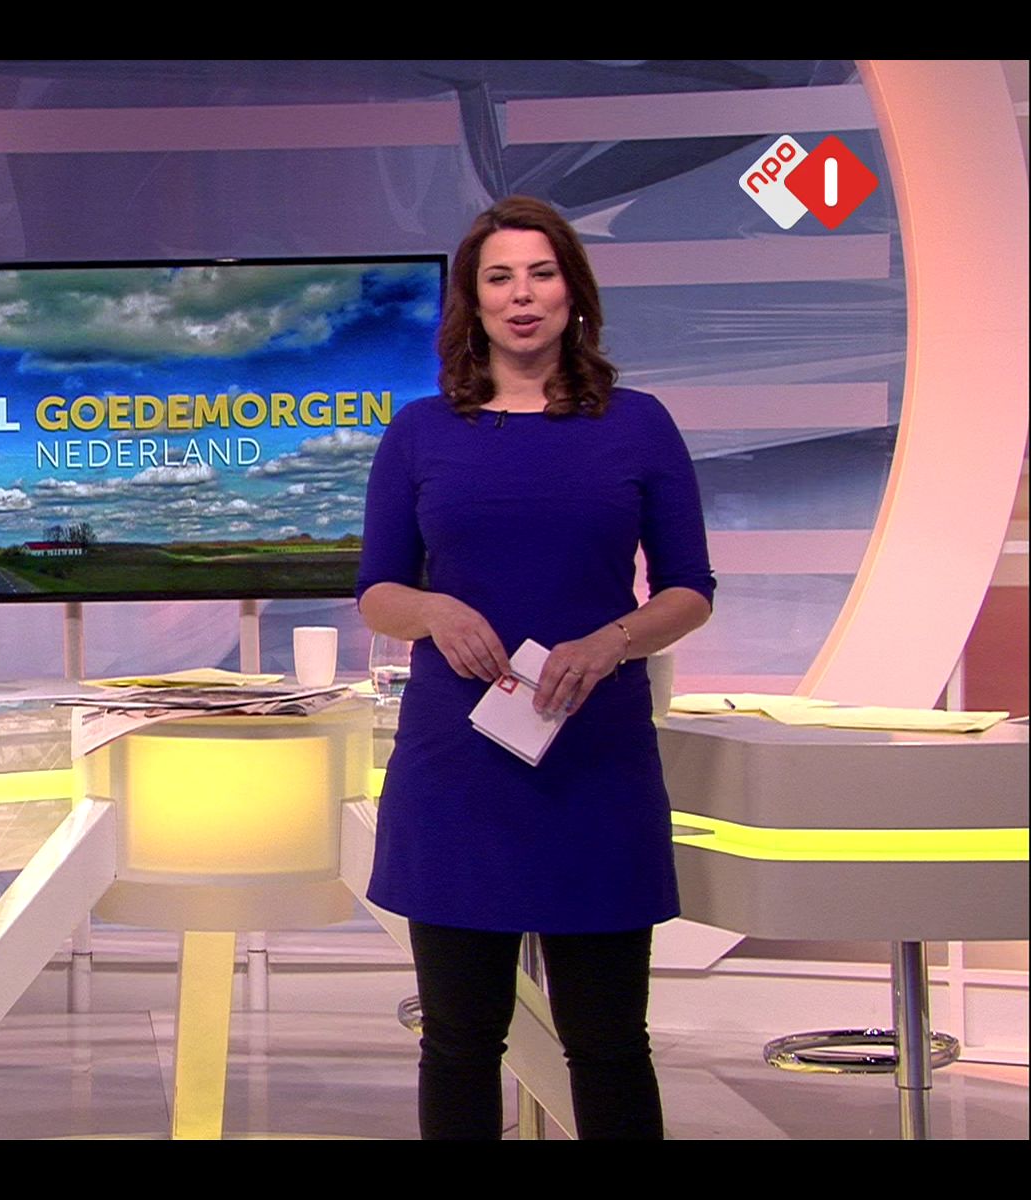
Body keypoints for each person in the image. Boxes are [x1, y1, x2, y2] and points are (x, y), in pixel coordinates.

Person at [356, 196, 715, 1139]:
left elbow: (690, 589)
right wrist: (432, 610)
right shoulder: (420, 432)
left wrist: (614, 639)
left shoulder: (638, 425)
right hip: (459, 766)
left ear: (573, 293)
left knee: (608, 1041)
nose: (522, 296)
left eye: (542, 274)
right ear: (472, 303)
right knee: (459, 1040)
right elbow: (378, 591)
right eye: (500, 278)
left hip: (594, 762)